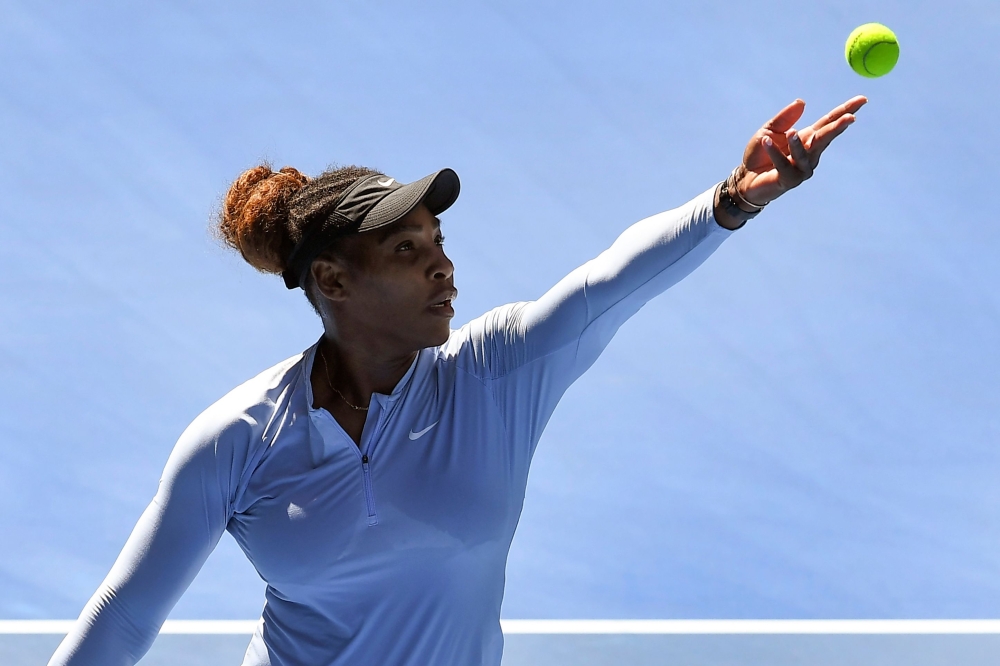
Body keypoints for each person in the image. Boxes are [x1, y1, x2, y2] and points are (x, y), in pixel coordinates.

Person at [48, 95, 867, 666]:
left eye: (438, 240)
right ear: (332, 282)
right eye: (406, 250)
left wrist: (730, 200)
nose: (443, 265)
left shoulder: (496, 370)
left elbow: (609, 283)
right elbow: (121, 624)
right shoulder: (235, 442)